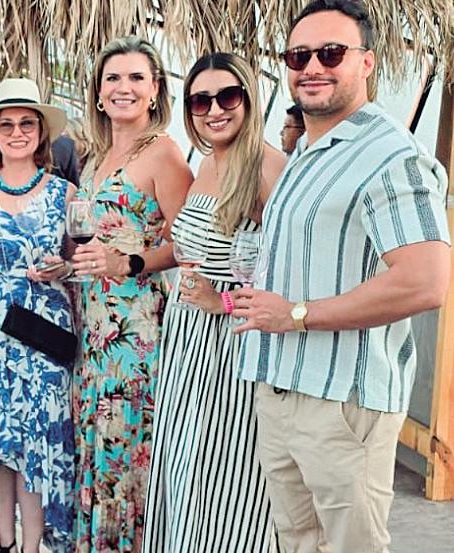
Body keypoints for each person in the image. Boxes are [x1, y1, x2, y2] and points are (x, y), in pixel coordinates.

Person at [233, 1, 450, 551]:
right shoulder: (306, 151)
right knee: (298, 542)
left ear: (367, 62)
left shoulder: (390, 155)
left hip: (342, 402)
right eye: (298, 56)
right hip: (280, 387)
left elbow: (425, 281)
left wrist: (297, 315)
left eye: (331, 53)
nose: (312, 66)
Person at [141, 53, 286, 553]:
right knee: (188, 469)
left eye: (228, 96)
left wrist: (220, 300)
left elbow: (286, 276)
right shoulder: (206, 162)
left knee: (225, 477)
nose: (215, 110)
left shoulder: (268, 169)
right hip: (187, 344)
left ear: (250, 98)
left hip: (230, 349)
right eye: (201, 101)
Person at [69, 35, 193, 553]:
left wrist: (128, 262)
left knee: (127, 447)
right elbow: (98, 238)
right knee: (100, 444)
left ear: (155, 89)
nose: (124, 87)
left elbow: (189, 244)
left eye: (136, 77)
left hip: (136, 331)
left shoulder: (163, 152)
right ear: (98, 93)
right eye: (113, 78)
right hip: (95, 328)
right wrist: (67, 266)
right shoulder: (96, 155)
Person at [0, 78, 77, 553]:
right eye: (6, 125)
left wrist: (63, 268)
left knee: (35, 438)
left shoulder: (65, 193)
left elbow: (77, 261)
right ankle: (6, 543)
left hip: (41, 329)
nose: (17, 132)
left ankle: (32, 545)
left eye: (27, 123)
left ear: (42, 133)